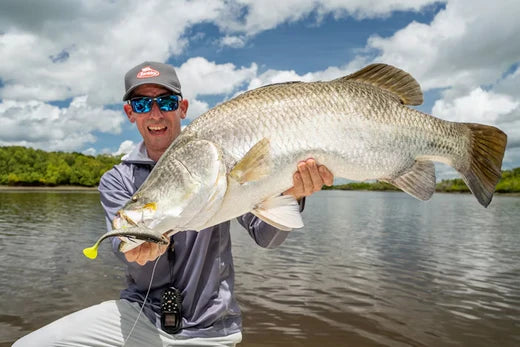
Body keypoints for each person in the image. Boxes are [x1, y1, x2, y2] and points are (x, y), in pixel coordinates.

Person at [14, 61, 334, 346]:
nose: (155, 113)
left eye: (165, 102)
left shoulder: (219, 152)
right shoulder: (117, 179)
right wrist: (134, 248)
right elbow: (121, 246)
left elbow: (267, 237)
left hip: (212, 329)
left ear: (181, 108)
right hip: (140, 316)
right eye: (142, 104)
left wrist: (294, 194)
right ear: (130, 113)